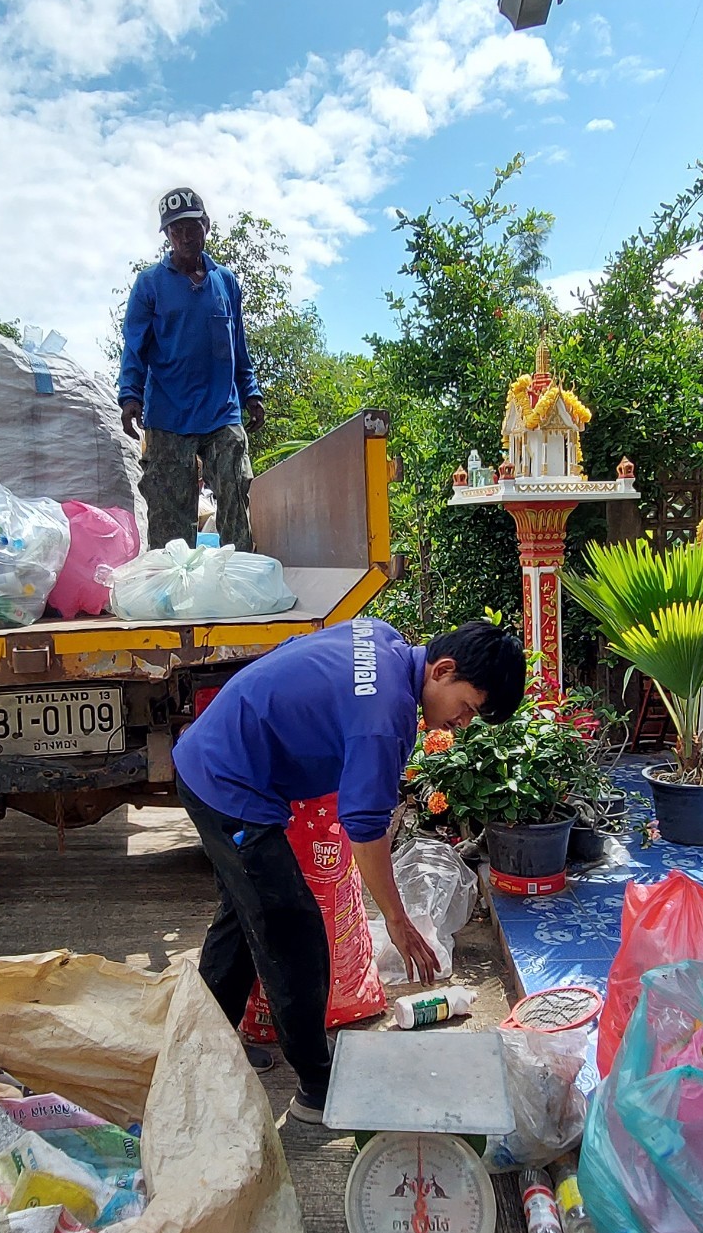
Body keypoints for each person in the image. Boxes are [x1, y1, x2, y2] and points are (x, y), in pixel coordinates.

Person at [173, 618, 526, 1121]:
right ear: (443, 670)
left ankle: (198, 1056)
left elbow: (300, 657)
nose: (462, 723)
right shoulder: (387, 715)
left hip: (217, 759)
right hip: (227, 783)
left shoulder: (380, 638)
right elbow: (364, 828)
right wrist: (398, 922)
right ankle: (317, 1086)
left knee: (245, 918)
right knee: (293, 932)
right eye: (467, 707)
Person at [120, 187, 265, 550]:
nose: (184, 237)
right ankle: (171, 592)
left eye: (191, 227)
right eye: (175, 230)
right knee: (170, 517)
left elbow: (238, 344)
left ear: (206, 227)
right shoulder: (149, 284)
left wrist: (251, 392)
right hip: (169, 415)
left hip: (221, 411)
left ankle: (240, 579)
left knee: (235, 495)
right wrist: (129, 396)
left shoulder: (226, 282)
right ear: (167, 236)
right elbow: (134, 346)